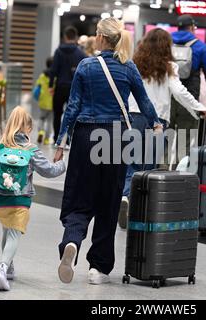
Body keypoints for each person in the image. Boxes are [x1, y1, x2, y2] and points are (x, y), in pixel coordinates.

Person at [53, 17, 162, 285]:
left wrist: (60, 142)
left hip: (86, 136)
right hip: (116, 139)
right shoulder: (128, 67)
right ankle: (98, 268)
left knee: (79, 196)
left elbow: (73, 107)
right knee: (109, 201)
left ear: (100, 38)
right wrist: (156, 125)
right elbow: (144, 102)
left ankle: (72, 241)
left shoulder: (86, 66)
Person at [118, 28, 206, 229]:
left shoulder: (134, 65)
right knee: (148, 167)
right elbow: (179, 92)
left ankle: (125, 197)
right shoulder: (169, 68)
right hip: (157, 121)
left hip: (133, 118)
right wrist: (199, 107)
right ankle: (139, 210)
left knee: (131, 163)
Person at [0, 106, 66, 291]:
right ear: (27, 128)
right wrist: (62, 164)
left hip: (0, 199)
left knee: (7, 230)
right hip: (20, 199)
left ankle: (9, 267)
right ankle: (2, 270)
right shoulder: (31, 150)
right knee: (13, 233)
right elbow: (49, 171)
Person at [170, 14, 206, 158]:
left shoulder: (166, 42)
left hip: (169, 96)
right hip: (189, 98)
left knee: (165, 138)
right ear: (191, 27)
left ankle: (160, 174)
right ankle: (177, 175)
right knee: (183, 142)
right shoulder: (200, 46)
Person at [49, 26, 86, 144]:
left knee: (57, 113)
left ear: (65, 37)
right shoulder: (80, 53)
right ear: (75, 37)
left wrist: (51, 85)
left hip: (60, 87)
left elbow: (53, 70)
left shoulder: (58, 51)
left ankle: (56, 138)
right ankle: (69, 139)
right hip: (74, 89)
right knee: (72, 114)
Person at [35, 57, 54, 145]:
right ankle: (46, 139)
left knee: (41, 119)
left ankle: (40, 132)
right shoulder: (55, 77)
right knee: (50, 121)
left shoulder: (42, 76)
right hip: (52, 103)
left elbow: (37, 88)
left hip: (43, 101)